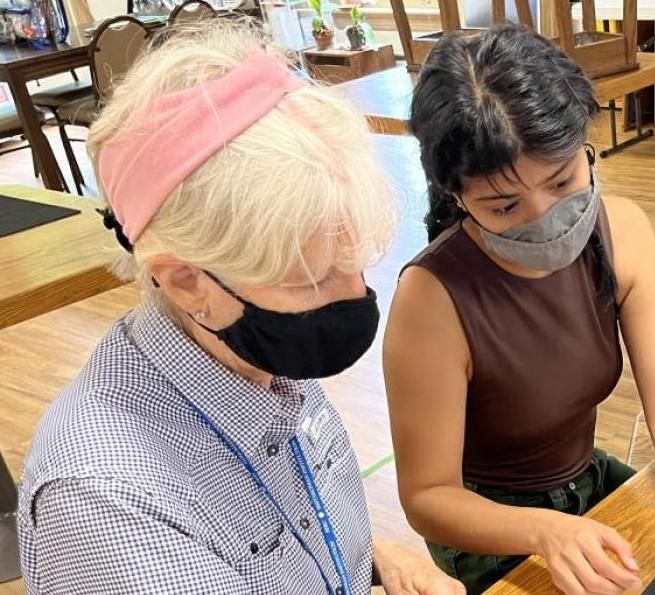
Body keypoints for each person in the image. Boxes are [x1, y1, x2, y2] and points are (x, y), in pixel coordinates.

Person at [16, 21, 463, 595]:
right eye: (310, 279)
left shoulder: (245, 351)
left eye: (351, 261)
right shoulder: (110, 506)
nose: (351, 294)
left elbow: (281, 536)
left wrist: (379, 556)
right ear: (184, 281)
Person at [383, 25, 655, 595]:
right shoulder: (432, 299)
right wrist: (543, 531)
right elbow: (429, 497)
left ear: (586, 142)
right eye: (504, 206)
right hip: (491, 530)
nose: (543, 215)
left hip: (586, 483)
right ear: (456, 197)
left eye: (562, 180)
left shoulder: (621, 230)